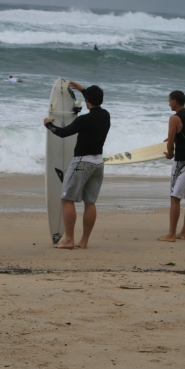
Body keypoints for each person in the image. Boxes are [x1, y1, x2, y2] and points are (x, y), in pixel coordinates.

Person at [43, 82, 111, 249]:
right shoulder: (106, 115)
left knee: (66, 199)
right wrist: (82, 90)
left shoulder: (84, 120)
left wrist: (48, 124)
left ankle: (69, 240)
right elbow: (94, 102)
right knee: (90, 202)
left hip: (82, 163)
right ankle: (84, 241)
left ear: (87, 100)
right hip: (98, 163)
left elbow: (63, 133)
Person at [157, 90, 185, 242]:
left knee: (175, 197)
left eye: (169, 101)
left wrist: (169, 154)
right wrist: (172, 139)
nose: (169, 103)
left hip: (182, 162)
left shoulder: (174, 118)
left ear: (175, 101)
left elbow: (170, 145)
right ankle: (183, 233)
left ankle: (171, 234)